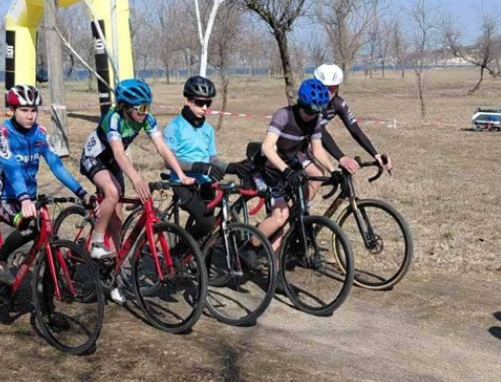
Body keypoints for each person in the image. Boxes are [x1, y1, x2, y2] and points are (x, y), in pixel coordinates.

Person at [79, 78, 195, 301]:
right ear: (126, 106)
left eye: (148, 107)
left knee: (118, 219)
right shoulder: (113, 118)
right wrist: (136, 179)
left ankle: (110, 274)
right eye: (141, 108)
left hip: (112, 163)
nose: (145, 112)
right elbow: (119, 153)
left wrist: (181, 174)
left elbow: (162, 147)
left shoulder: (146, 118)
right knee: (112, 193)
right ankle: (95, 241)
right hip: (94, 159)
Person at [0, 84, 95, 279]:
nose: (31, 116)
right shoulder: (1, 134)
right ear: (12, 110)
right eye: (24, 110)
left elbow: (57, 167)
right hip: (5, 198)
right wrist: (24, 199)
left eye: (34, 111)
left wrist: (82, 193)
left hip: (29, 198)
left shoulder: (40, 133)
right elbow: (12, 169)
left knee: (46, 241)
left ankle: (47, 303)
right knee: (27, 226)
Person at [248, 78, 359, 254]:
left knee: (314, 181)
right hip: (265, 169)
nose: (313, 115)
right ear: (301, 104)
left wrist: (332, 170)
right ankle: (249, 248)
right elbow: (267, 148)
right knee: (280, 218)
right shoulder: (283, 115)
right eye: (309, 111)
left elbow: (317, 149)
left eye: (317, 112)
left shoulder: (315, 119)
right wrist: (286, 170)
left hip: (288, 165)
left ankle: (297, 213)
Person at [164, 75, 227, 240]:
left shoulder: (208, 130)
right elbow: (169, 161)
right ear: (187, 101)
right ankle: (178, 254)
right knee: (207, 223)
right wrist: (198, 166)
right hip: (182, 183)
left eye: (208, 103)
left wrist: (232, 167)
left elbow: (213, 159)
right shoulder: (175, 126)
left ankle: (202, 261)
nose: (205, 107)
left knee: (221, 217)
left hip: (205, 182)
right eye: (200, 103)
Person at [313, 63, 392, 172]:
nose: (327, 92)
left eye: (332, 88)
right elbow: (319, 129)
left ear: (337, 87)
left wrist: (375, 154)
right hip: (292, 140)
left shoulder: (338, 103)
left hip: (311, 140)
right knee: (315, 173)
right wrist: (341, 157)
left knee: (318, 176)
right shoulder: (310, 102)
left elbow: (355, 130)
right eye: (323, 87)